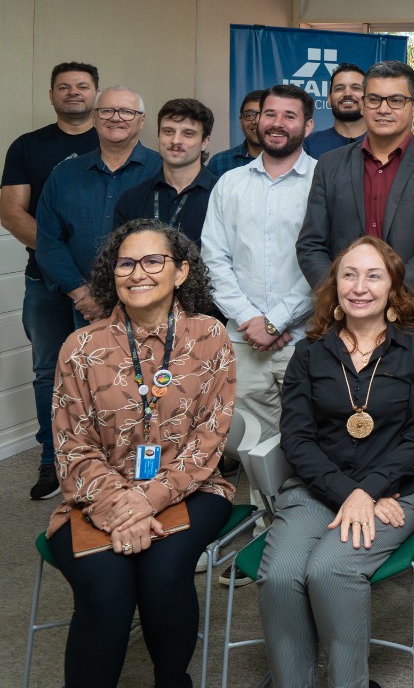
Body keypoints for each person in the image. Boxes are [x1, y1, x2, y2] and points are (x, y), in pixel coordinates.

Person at [295, 59, 414, 613]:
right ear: (360, 103)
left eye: (396, 99)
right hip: (344, 335)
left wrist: (381, 298)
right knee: (340, 435)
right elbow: (311, 245)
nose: (384, 107)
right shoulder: (330, 165)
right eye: (375, 99)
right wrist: (350, 300)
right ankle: (344, 530)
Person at [46, 218, 236, 688]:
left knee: (164, 572)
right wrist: (122, 506)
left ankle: (173, 681)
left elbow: (207, 442)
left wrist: (148, 500)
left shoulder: (210, 337)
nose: (137, 273)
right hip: (96, 496)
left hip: (194, 488)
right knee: (105, 587)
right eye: (125, 263)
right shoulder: (81, 348)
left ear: (181, 273)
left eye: (153, 261)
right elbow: (73, 449)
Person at [258, 237, 414, 688]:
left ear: (392, 286)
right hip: (317, 491)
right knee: (280, 576)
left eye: (373, 275)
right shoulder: (309, 352)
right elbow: (297, 439)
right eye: (349, 275)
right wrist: (351, 495)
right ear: (334, 285)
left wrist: (369, 491)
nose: (360, 287)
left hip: (393, 494)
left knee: (331, 569)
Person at [202, 85, 318, 538]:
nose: (277, 123)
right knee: (256, 441)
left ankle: (306, 528)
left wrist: (277, 320)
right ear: (256, 121)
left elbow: (324, 262)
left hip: (307, 335)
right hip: (242, 338)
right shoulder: (229, 184)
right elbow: (213, 259)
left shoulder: (324, 180)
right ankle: (268, 526)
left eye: (290, 116)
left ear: (307, 126)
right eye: (270, 114)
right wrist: (252, 320)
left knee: (309, 433)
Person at [33, 85, 161, 498]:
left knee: (141, 391)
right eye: (107, 111)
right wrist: (81, 293)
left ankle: (143, 474)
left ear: (141, 121)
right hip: (78, 305)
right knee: (79, 391)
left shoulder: (159, 169)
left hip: (146, 309)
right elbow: (48, 238)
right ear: (95, 117)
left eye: (127, 112)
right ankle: (68, 467)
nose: (116, 118)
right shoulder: (65, 173)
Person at [2, 60, 101, 500]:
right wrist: (61, 265)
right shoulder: (28, 146)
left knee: (103, 374)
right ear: (51, 95)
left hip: (106, 288)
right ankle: (50, 461)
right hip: (44, 282)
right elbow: (10, 211)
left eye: (82, 86)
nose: (73, 92)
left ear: (95, 93)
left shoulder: (114, 139)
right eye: (64, 87)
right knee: (49, 373)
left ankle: (101, 461)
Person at [113, 98, 219, 249]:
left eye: (188, 133)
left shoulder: (222, 196)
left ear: (204, 142)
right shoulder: (132, 200)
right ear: (158, 136)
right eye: (168, 131)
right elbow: (120, 258)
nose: (176, 140)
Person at [303, 62, 367, 158]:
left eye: (356, 88)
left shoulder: (384, 142)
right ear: (329, 98)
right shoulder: (309, 143)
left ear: (368, 97)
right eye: (339, 88)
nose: (347, 93)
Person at [207, 89, 267, 175]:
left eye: (264, 115)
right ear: (241, 121)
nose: (256, 121)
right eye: (249, 115)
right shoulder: (219, 162)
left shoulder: (289, 161)